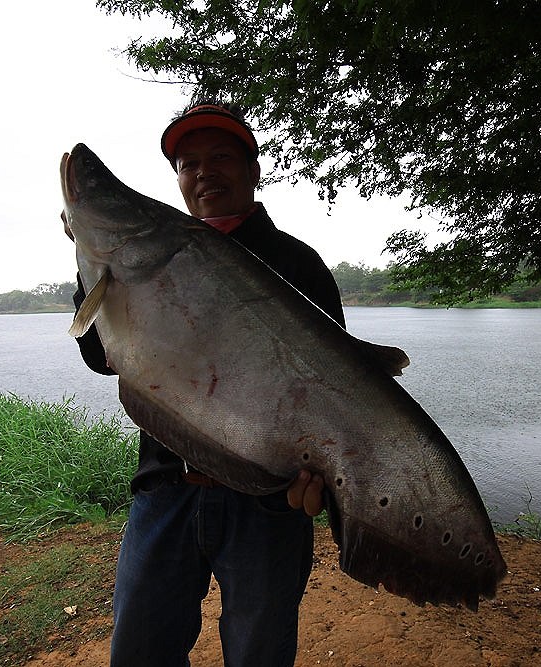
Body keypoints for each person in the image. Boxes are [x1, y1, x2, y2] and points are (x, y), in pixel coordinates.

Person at [69, 102, 345, 666]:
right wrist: (94, 268)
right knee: (141, 648)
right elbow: (101, 357)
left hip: (267, 502)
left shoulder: (298, 262)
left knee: (258, 653)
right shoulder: (149, 254)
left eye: (221, 157)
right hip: (166, 485)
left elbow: (332, 388)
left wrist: (324, 474)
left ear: (254, 169)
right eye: (188, 163)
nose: (203, 172)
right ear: (177, 179)